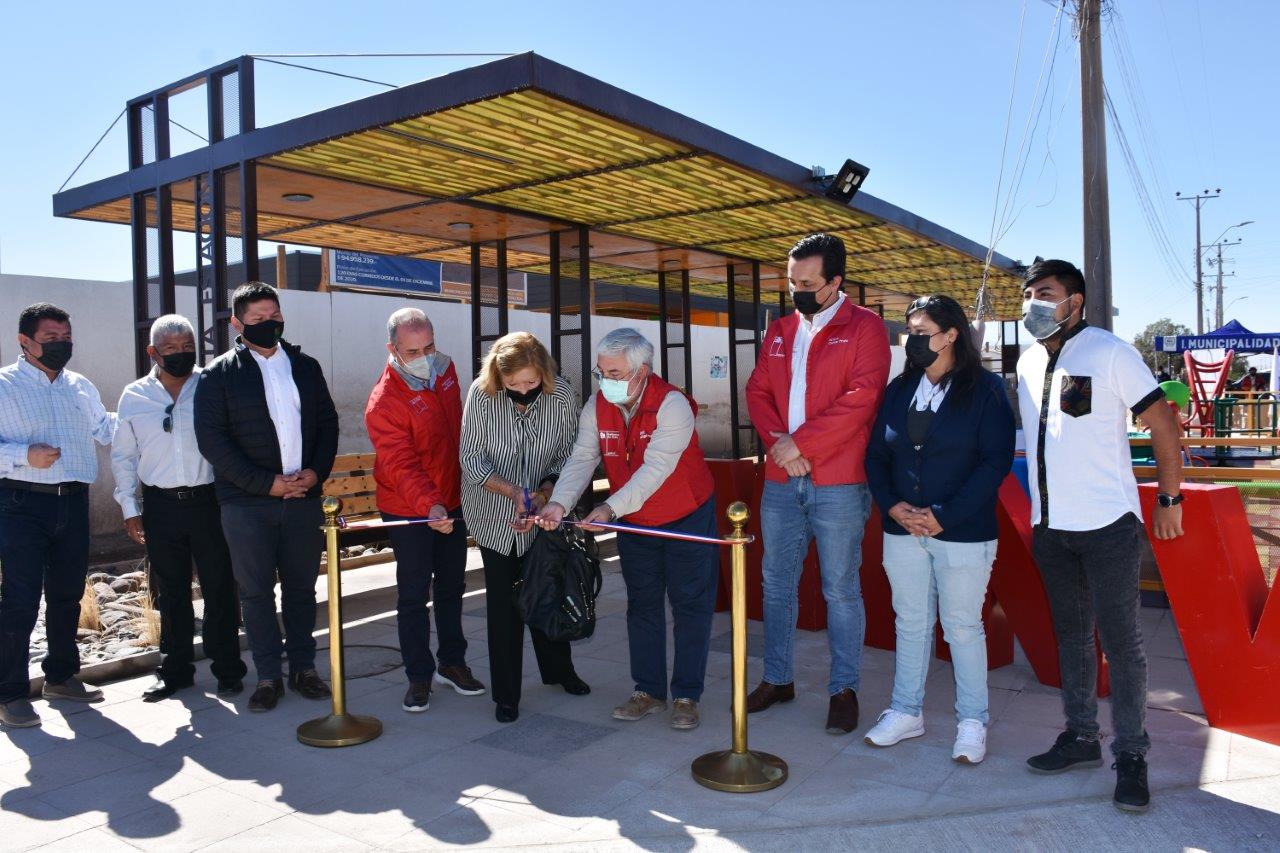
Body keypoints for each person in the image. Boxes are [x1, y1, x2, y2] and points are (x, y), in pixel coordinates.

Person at [1017, 259, 1184, 813]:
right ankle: (1082, 737)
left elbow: (1163, 421)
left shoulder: (1110, 352)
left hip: (1109, 528)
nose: (1033, 303)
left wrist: (1168, 496)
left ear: (1075, 302)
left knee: (1123, 646)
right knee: (1071, 639)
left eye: (1045, 293)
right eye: (1028, 294)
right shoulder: (1027, 360)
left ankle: (1132, 756)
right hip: (1051, 529)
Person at [744, 233, 891, 734]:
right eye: (791, 281)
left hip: (839, 482)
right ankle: (777, 678)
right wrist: (782, 443)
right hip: (784, 479)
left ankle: (843, 688)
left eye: (807, 283)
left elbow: (861, 399)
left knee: (840, 589)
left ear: (835, 282)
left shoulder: (866, 328)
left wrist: (801, 445)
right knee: (776, 583)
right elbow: (758, 389)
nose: (796, 290)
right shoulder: (781, 330)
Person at [539, 328, 719, 732]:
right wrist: (560, 502)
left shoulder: (673, 405)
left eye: (616, 374)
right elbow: (583, 458)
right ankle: (649, 691)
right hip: (635, 520)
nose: (607, 382)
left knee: (690, 605)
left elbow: (655, 470)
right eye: (601, 372)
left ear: (643, 371)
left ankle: (687, 694)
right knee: (643, 604)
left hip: (685, 514)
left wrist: (608, 507)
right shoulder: (596, 404)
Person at [864, 295, 1015, 764]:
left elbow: (995, 461)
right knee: (909, 623)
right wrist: (893, 508)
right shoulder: (899, 388)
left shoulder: (985, 390)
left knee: (963, 627)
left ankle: (972, 721)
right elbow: (876, 455)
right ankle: (906, 711)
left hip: (963, 531)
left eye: (922, 330)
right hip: (902, 530)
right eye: (909, 330)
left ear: (951, 335)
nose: (912, 340)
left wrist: (944, 514)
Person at [194, 282, 339, 713]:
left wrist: (315, 473)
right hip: (247, 505)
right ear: (237, 324)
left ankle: (304, 670)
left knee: (300, 590)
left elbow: (327, 424)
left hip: (303, 499)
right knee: (256, 594)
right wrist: (266, 483)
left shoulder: (305, 366)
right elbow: (213, 443)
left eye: (274, 316)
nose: (269, 324)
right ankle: (268, 677)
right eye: (258, 319)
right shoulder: (217, 375)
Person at [111, 315, 247, 702]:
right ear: (152, 352)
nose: (181, 354)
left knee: (220, 587)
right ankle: (174, 671)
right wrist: (128, 506)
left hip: (209, 502)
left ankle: (227, 670)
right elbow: (123, 455)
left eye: (188, 347)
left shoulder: (211, 384)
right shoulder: (134, 396)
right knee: (170, 591)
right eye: (171, 349)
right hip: (161, 505)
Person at [459, 332, 588, 723]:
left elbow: (570, 452)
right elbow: (471, 458)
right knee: (503, 605)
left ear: (544, 374)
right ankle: (507, 695)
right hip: (492, 511)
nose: (522, 391)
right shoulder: (481, 396)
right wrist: (513, 491)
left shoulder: (562, 395)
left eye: (530, 383)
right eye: (513, 385)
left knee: (547, 590)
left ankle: (559, 671)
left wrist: (547, 492)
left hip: (544, 511)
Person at [0, 303, 116, 728]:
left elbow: (106, 429)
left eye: (66, 338)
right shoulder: (4, 386)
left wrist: (153, 413)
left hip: (73, 501)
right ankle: (10, 694)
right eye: (51, 339)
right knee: (20, 599)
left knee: (67, 595)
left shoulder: (80, 386)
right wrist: (22, 456)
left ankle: (62, 676)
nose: (61, 345)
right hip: (20, 504)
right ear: (24, 341)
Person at [366, 308, 485, 713]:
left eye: (428, 345)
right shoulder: (384, 400)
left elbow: (461, 431)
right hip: (410, 508)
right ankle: (419, 676)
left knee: (452, 586)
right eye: (412, 349)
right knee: (414, 593)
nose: (424, 355)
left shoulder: (446, 370)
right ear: (393, 349)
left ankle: (452, 663)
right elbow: (400, 463)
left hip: (451, 498)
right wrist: (428, 505)